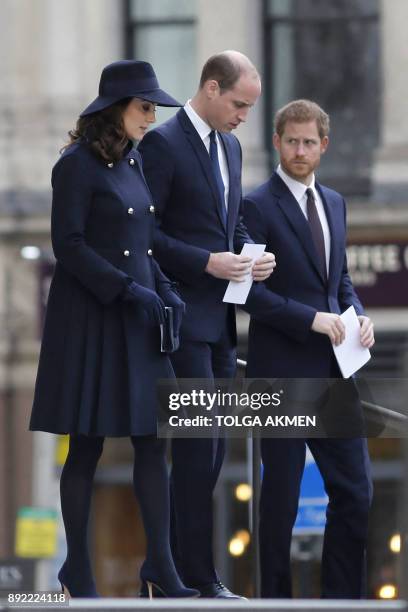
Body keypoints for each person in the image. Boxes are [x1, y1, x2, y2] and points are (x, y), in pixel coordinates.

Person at [29, 60, 199, 600]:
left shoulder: (135, 162)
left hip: (139, 318)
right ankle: (75, 569)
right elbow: (69, 246)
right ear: (116, 109)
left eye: (153, 108)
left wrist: (165, 290)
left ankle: (162, 567)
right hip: (93, 320)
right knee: (87, 446)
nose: (152, 117)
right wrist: (129, 291)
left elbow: (145, 243)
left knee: (154, 443)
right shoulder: (75, 166)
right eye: (144, 106)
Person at [138, 50, 275, 598]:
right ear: (212, 88)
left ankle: (171, 569)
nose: (244, 115)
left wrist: (248, 252)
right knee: (196, 450)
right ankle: (188, 575)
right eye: (239, 104)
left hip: (221, 324)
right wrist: (206, 261)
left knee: (213, 452)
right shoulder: (162, 145)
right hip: (181, 320)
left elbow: (232, 220)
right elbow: (144, 236)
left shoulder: (233, 146)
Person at [243, 99, 375, 598]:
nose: (300, 150)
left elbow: (338, 280)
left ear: (324, 145)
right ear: (277, 142)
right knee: (280, 497)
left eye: (309, 142)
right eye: (291, 141)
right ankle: (276, 602)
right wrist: (311, 319)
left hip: (335, 372)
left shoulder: (335, 202)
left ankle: (342, 602)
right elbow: (250, 294)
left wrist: (356, 314)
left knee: (356, 491)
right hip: (279, 370)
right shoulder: (255, 206)